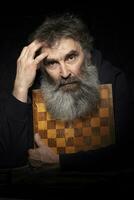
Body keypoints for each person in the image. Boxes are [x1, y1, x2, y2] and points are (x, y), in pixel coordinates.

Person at [2, 13, 133, 173]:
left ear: (87, 54)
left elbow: (127, 152)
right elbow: (11, 159)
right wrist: (20, 87)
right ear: (42, 67)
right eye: (52, 63)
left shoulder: (114, 79)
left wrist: (62, 162)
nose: (64, 73)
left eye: (71, 57)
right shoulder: (35, 88)